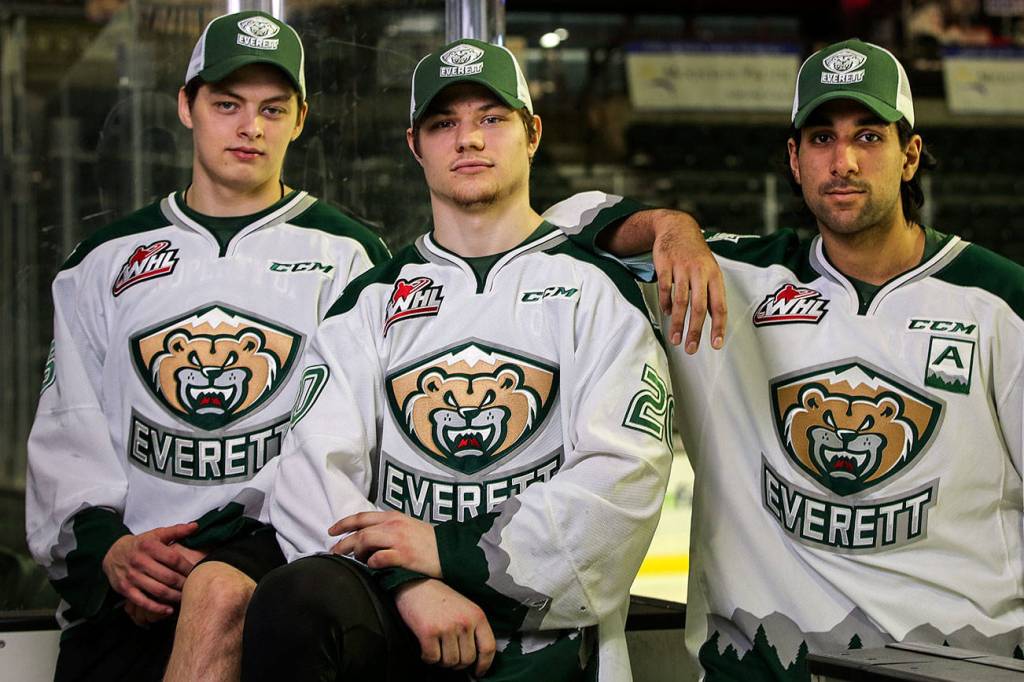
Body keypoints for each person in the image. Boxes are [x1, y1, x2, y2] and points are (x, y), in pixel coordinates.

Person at [547, 38, 1024, 681]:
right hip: (762, 668)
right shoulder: (730, 277)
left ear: (910, 156)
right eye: (822, 139)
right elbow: (562, 224)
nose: (843, 161)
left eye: (869, 137)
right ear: (795, 161)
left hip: (956, 665)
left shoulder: (1001, 302)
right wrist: (671, 228)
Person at [240, 38, 674, 681]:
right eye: (444, 124)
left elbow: (621, 479)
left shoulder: (597, 291)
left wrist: (449, 552)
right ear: (415, 145)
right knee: (297, 599)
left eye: (490, 118)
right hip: (402, 626)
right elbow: (310, 475)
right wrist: (409, 585)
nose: (468, 139)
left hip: (543, 644)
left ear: (532, 134)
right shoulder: (371, 301)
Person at [25, 10, 391, 681]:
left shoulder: (352, 259)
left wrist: (233, 549)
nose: (251, 127)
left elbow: (356, 448)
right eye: (227, 104)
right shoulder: (104, 260)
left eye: (272, 109)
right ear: (186, 106)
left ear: (300, 120)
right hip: (130, 576)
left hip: (275, 561)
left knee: (219, 596)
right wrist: (109, 553)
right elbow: (67, 436)